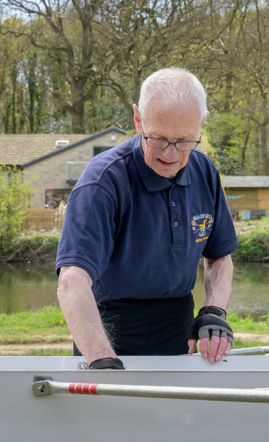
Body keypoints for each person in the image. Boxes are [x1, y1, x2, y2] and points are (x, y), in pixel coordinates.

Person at [55, 68, 237, 370]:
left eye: (184, 141)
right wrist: (101, 358)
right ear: (138, 120)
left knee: (180, 416)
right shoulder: (102, 182)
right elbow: (72, 280)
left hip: (178, 324)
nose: (171, 154)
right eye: (159, 138)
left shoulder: (204, 172)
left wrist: (213, 312)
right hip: (108, 326)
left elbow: (219, 257)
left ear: (200, 125)